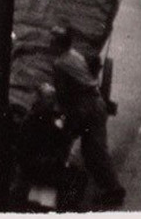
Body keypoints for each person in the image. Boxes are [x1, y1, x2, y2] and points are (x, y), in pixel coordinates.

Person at [47, 25, 124, 207]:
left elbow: (63, 95)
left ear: (58, 44)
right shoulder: (73, 54)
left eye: (52, 40)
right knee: (91, 151)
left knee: (96, 151)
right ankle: (107, 188)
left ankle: (114, 190)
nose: (49, 43)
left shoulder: (60, 64)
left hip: (88, 107)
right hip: (92, 103)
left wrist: (60, 114)